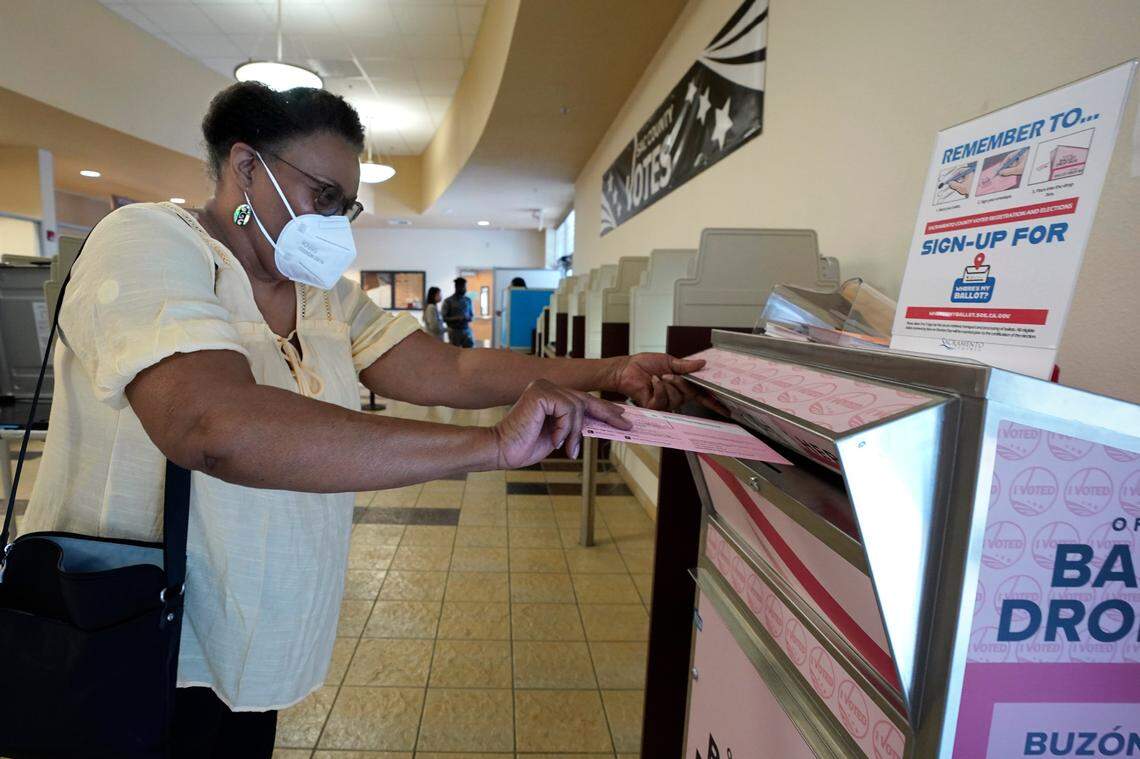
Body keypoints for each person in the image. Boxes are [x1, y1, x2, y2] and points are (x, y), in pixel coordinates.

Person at [24, 81, 706, 757]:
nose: (334, 224)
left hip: (251, 638)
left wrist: (607, 371)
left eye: (344, 208)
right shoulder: (147, 242)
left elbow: (450, 370)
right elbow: (212, 424)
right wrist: (493, 446)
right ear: (246, 167)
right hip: (132, 632)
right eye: (323, 197)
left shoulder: (323, 298)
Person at [441, 276, 475, 348]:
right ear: (457, 287)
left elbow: (471, 316)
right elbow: (444, 318)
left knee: (469, 353)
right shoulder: (448, 301)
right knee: (455, 354)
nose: (465, 289)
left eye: (465, 287)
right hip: (454, 332)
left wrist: (467, 318)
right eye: (463, 287)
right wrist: (457, 318)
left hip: (466, 331)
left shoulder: (468, 300)